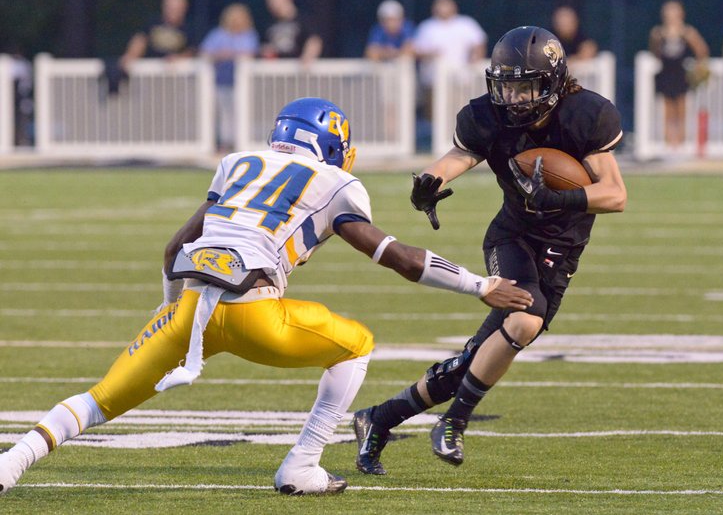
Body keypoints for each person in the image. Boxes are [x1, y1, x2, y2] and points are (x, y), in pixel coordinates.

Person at [0, 98, 531, 497]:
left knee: (97, 401)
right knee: (356, 344)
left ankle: (11, 464)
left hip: (191, 309)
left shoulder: (237, 164)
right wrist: (480, 284)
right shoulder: (333, 182)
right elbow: (396, 256)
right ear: (330, 145)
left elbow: (171, 250)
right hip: (257, 315)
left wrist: (168, 314)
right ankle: (302, 462)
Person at [352, 26, 627, 473]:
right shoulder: (485, 118)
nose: (515, 99)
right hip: (512, 236)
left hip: (562, 247)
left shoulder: (584, 115)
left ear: (554, 82)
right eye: (507, 87)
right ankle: (453, 423)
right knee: (523, 319)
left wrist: (560, 199)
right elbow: (456, 159)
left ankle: (377, 420)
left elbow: (615, 194)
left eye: (526, 88)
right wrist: (428, 183)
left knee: (480, 358)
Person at [648, 0, 709, 150]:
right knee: (667, 109)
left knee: (681, 109)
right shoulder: (658, 33)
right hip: (665, 73)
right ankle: (669, 143)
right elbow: (654, 51)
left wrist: (698, 67)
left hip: (680, 74)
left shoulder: (687, 32)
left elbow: (701, 50)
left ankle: (681, 142)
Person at [413, 0, 487, 119]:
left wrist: (475, 57)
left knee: (459, 109)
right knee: (435, 114)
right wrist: (430, 54)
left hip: (460, 79)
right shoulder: (427, 27)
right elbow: (416, 50)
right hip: (433, 80)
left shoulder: (465, 23)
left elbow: (479, 43)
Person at [199, 3, 260, 152]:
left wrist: (231, 54)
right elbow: (204, 52)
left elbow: (251, 53)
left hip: (242, 84)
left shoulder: (249, 35)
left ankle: (239, 143)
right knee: (222, 113)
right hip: (221, 81)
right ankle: (224, 143)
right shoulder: (218, 34)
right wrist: (220, 55)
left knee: (242, 111)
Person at [119, 0, 195, 73]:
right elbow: (140, 40)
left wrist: (179, 59)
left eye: (176, 7)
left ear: (184, 7)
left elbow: (193, 50)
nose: (172, 10)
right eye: (169, 6)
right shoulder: (152, 24)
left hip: (177, 79)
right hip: (150, 75)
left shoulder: (190, 29)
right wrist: (130, 56)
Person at [261, 0, 323, 64]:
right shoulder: (270, 25)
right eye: (271, 2)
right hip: (277, 69)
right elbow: (266, 46)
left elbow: (314, 40)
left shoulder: (304, 20)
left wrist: (308, 56)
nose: (274, 5)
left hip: (298, 69)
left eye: (276, 1)